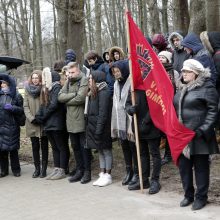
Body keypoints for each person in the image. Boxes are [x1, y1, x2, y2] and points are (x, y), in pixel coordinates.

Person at [174, 59, 219, 210]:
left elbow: (214, 111)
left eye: (187, 71)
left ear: (196, 73)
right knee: (184, 167)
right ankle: (188, 195)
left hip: (199, 135)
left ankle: (201, 197)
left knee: (201, 168)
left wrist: (202, 130)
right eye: (183, 71)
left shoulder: (208, 87)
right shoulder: (180, 88)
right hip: (181, 135)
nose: (183, 74)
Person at [58, 62, 92, 184]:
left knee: (84, 147)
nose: (70, 75)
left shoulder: (84, 79)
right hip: (70, 120)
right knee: (75, 147)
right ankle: (79, 170)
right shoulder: (68, 81)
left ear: (77, 70)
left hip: (81, 119)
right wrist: (72, 95)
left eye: (72, 72)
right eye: (69, 73)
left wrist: (67, 100)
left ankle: (87, 172)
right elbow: (60, 97)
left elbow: (81, 98)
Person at [35, 68, 69, 180]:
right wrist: (38, 116)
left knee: (61, 147)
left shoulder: (56, 88)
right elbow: (43, 104)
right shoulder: (47, 89)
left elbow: (54, 105)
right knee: (55, 148)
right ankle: (56, 168)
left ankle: (62, 170)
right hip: (48, 124)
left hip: (57, 124)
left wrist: (43, 117)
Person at [110, 60, 139, 189]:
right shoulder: (116, 84)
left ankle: (137, 173)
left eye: (118, 71)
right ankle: (129, 170)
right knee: (125, 147)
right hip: (120, 120)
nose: (116, 74)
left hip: (130, 119)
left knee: (133, 148)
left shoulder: (131, 83)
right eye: (114, 72)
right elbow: (115, 104)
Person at [85, 70, 113, 187]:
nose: (89, 80)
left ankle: (108, 175)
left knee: (106, 150)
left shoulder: (104, 92)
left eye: (91, 78)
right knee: (100, 150)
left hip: (102, 127)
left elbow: (103, 113)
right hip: (94, 126)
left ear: (97, 79)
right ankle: (102, 173)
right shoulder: (94, 92)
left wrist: (98, 130)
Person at [24, 70, 48, 178]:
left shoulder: (44, 89)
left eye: (36, 78)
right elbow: (25, 106)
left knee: (44, 146)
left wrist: (41, 118)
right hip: (32, 123)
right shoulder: (27, 90)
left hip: (43, 122)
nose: (34, 80)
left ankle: (44, 169)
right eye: (33, 78)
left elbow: (47, 104)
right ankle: (37, 168)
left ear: (40, 79)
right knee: (34, 146)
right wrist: (31, 118)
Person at [0, 73, 24, 177]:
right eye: (1, 83)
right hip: (1, 126)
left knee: (13, 149)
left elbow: (22, 111)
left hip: (12, 126)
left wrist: (13, 108)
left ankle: (16, 170)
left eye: (4, 83)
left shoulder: (16, 95)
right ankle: (3, 170)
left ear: (9, 84)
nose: (2, 85)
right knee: (2, 150)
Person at [158, 51, 179, 165]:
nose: (160, 59)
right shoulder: (155, 71)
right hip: (158, 103)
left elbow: (177, 87)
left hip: (170, 104)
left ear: (168, 59)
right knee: (160, 130)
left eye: (163, 57)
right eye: (159, 57)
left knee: (169, 130)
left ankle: (168, 154)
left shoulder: (173, 72)